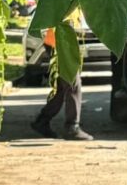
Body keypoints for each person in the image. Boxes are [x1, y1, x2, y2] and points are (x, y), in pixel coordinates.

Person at [31, 9, 93, 141]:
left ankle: (42, 121)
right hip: (60, 40)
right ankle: (72, 127)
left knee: (61, 87)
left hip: (56, 40)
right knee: (73, 83)